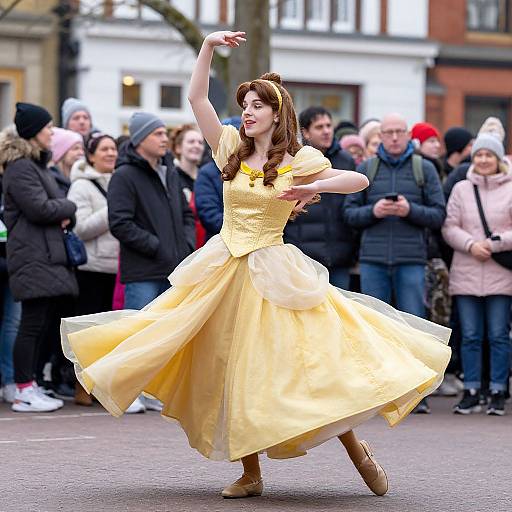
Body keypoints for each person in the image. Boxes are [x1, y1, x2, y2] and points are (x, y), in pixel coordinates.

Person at [61, 31, 450, 500]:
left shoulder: (298, 158)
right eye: (244, 104)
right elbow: (196, 97)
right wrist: (207, 47)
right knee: (229, 368)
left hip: (276, 272)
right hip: (224, 267)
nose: (246, 112)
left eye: (256, 106)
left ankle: (356, 449)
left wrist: (313, 187)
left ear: (276, 113)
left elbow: (358, 178)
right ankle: (250, 473)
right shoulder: (228, 147)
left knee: (308, 368)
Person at [344, 113, 447, 414]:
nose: (392, 137)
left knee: (413, 328)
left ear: (407, 135)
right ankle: (380, 394)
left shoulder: (424, 169)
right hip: (373, 260)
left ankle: (417, 394)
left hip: (411, 260)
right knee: (375, 330)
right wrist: (374, 210)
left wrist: (409, 210)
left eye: (398, 132)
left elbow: (438, 215)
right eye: (387, 132)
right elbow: (349, 214)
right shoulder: (366, 169)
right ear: (380, 136)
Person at [107, 112, 196, 413]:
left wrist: (184, 246)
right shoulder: (124, 175)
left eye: (164, 133)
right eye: (157, 133)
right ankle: (129, 392)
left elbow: (185, 214)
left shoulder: (169, 171)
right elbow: (120, 223)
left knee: (160, 334)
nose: (164, 139)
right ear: (140, 139)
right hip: (143, 269)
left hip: (171, 267)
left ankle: (152, 390)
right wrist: (157, 246)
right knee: (138, 333)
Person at [1, 103, 78, 412]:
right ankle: (22, 389)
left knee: (38, 322)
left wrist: (61, 210)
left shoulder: (35, 165)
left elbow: (51, 204)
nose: (52, 132)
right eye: (48, 127)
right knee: (30, 324)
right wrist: (69, 208)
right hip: (32, 255)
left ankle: (30, 383)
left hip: (42, 254)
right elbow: (40, 208)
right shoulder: (21, 167)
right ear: (33, 132)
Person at [442, 134, 512, 416]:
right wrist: (471, 245)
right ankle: (471, 389)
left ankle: (497, 389)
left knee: (498, 335)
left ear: (499, 160)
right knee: (469, 336)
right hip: (467, 270)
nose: (483, 160)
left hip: (499, 272)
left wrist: (495, 243)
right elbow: (449, 226)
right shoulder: (461, 188)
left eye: (489, 155)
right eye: (479, 154)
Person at [67, 133, 120, 405]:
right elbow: (80, 228)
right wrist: (114, 209)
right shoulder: (81, 187)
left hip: (117, 268)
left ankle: (102, 387)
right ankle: (81, 386)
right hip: (91, 268)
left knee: (108, 332)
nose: (111, 154)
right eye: (104, 149)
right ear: (90, 155)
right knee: (87, 331)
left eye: (113, 149)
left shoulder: (120, 181)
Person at [284, 106, 357, 290]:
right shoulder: (294, 162)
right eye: (319, 127)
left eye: (328, 125)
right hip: (303, 256)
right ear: (305, 133)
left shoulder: (346, 161)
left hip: (338, 256)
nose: (326, 131)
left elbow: (351, 204)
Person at [169, 124, 207, 248]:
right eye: (191, 142)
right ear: (178, 148)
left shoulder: (207, 177)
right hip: (182, 244)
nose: (196, 146)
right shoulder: (171, 177)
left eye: (200, 143)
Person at [49, 127, 84, 195]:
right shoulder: (51, 180)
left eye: (82, 149)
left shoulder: (83, 179)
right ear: (61, 153)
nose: (81, 153)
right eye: (75, 148)